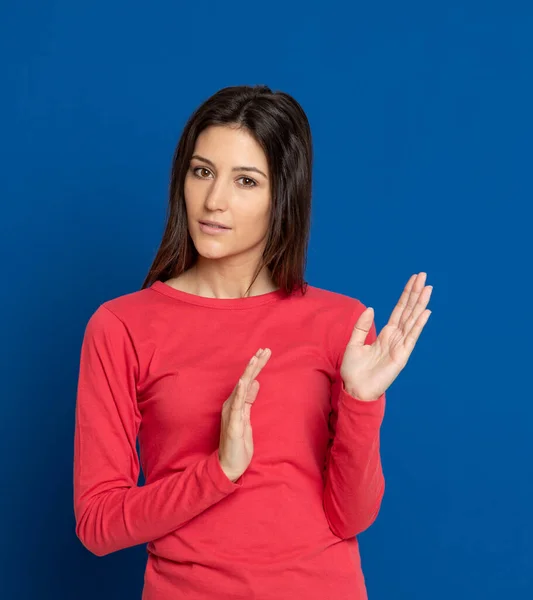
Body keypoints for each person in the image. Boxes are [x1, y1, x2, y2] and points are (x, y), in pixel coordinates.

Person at [73, 84, 433, 600]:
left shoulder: (343, 325)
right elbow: (98, 524)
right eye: (202, 172)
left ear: (282, 195)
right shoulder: (121, 326)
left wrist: (361, 401)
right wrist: (217, 471)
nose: (214, 200)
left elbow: (351, 516)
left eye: (245, 180)